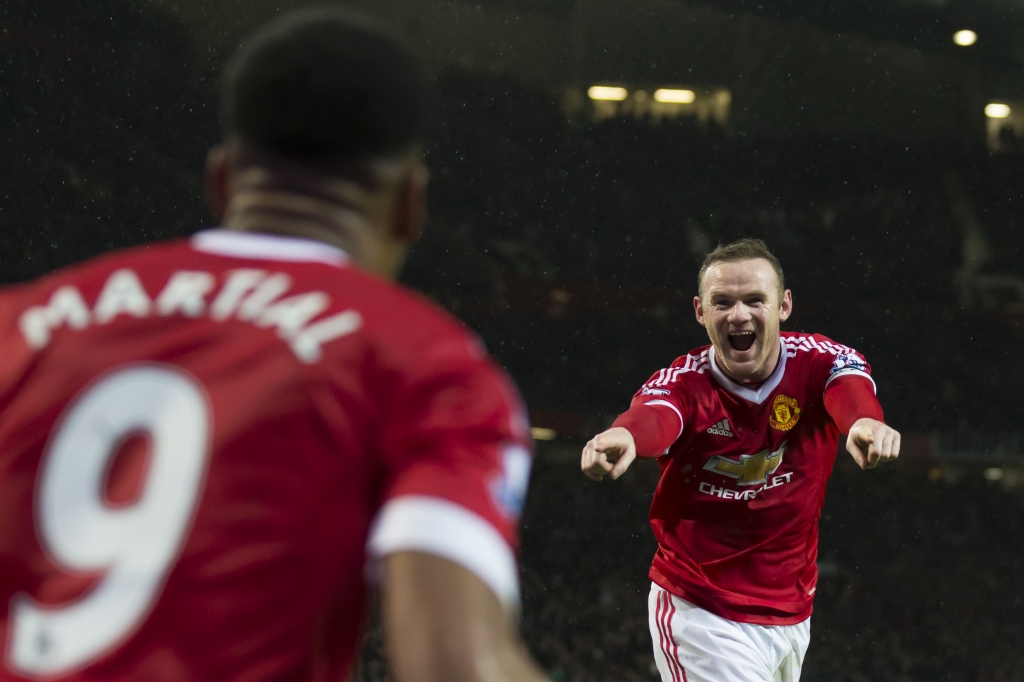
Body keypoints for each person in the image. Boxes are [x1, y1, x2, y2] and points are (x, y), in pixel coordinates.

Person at [0, 9, 547, 682]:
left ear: (222, 181)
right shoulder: (428, 365)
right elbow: (455, 667)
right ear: (411, 203)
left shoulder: (20, 324)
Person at [580, 238, 900, 682]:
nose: (739, 315)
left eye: (754, 300)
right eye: (723, 302)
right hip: (702, 611)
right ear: (700, 311)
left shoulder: (821, 361)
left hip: (791, 613)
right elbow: (655, 417)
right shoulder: (684, 384)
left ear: (784, 305)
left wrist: (865, 423)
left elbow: (849, 391)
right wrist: (624, 435)